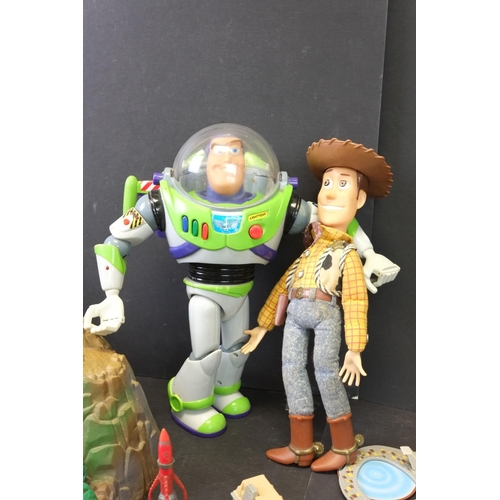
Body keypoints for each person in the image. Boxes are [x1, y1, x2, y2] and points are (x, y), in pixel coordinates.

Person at [84, 124, 398, 438]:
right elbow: (116, 241)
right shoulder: (166, 200)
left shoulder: (277, 205)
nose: (226, 160)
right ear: (205, 162)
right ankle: (189, 402)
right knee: (206, 351)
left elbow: (334, 216)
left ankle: (225, 390)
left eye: (235, 151)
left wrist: (368, 253)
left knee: (237, 347)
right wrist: (111, 294)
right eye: (218, 152)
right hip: (203, 293)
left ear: (248, 164)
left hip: (241, 290)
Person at [242, 138, 394, 471]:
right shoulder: (309, 250)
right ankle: (301, 446)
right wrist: (263, 326)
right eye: (326, 183)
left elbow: (355, 300)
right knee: (291, 369)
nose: (330, 193)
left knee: (326, 372)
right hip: (295, 315)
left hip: (326, 315)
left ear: (359, 199)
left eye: (343, 184)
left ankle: (343, 446)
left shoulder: (347, 254)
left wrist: (355, 348)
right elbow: (284, 285)